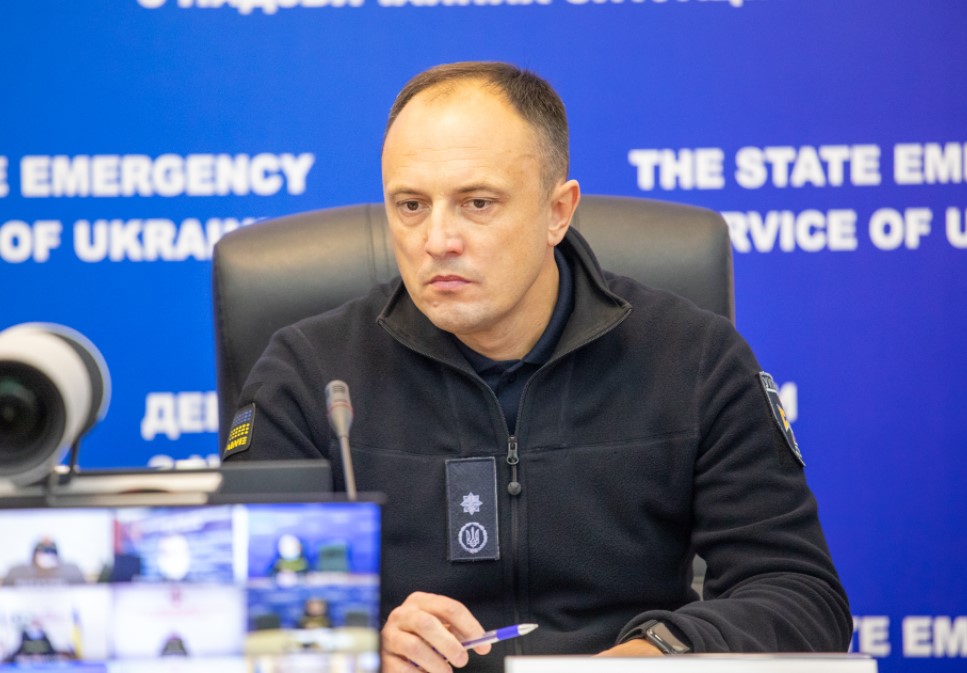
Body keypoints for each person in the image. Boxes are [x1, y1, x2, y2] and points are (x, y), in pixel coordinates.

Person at [222, 62, 851, 672]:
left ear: (558, 212)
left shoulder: (693, 358)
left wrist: (655, 655)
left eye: (477, 203)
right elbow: (237, 616)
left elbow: (800, 595)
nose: (437, 240)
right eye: (410, 205)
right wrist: (354, 646)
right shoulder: (309, 375)